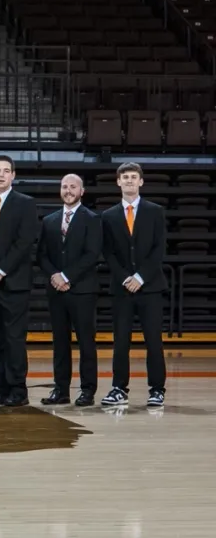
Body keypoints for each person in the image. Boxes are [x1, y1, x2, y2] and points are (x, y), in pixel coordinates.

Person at [0, 155, 39, 407]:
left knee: (14, 339)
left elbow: (24, 242)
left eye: (6, 171)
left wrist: (0, 270)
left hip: (14, 283)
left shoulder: (25, 203)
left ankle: (18, 390)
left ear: (13, 175)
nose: (1, 175)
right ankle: (1, 388)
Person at [100, 162, 167, 407]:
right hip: (122, 288)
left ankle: (157, 389)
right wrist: (125, 277)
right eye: (125, 177)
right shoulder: (108, 216)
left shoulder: (155, 211)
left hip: (150, 287)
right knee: (121, 341)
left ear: (141, 182)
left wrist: (140, 277)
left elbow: (159, 249)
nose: (129, 180)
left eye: (133, 177)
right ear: (118, 182)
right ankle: (119, 388)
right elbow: (108, 252)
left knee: (153, 341)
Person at [37, 174, 102, 407]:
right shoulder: (50, 220)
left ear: (82, 191)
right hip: (56, 291)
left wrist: (66, 276)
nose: (68, 190)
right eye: (64, 186)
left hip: (83, 290)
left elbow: (92, 255)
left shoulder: (93, 219)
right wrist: (54, 276)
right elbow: (41, 255)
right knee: (60, 343)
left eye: (73, 186)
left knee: (86, 342)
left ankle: (87, 391)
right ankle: (61, 390)